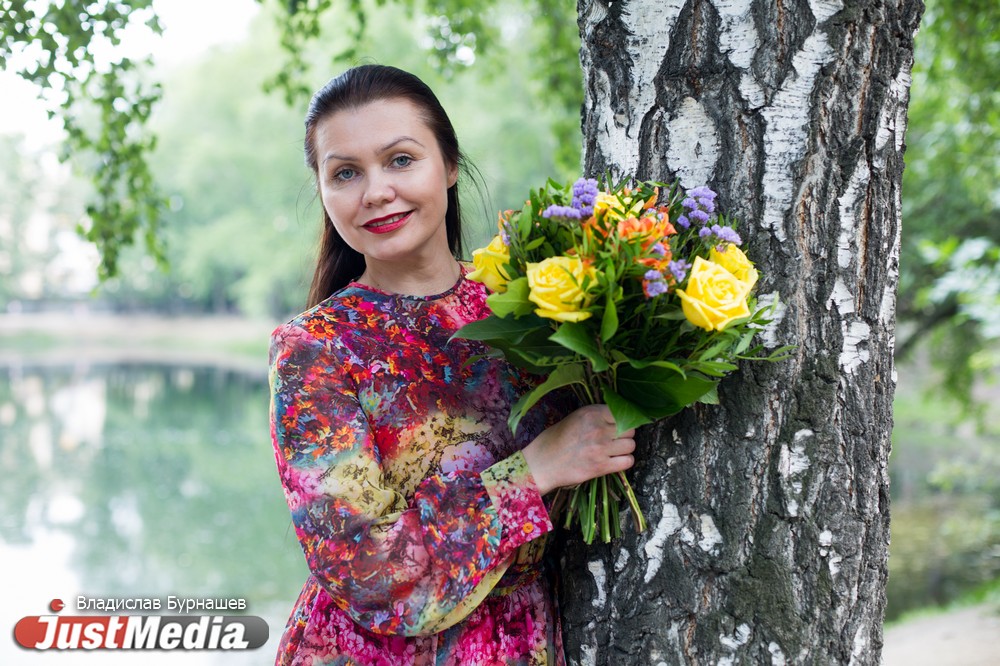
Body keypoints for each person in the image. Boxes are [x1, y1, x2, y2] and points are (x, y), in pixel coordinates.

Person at [268, 64, 636, 666]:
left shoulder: (538, 306)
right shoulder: (316, 349)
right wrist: (532, 472)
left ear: (451, 165)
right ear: (325, 193)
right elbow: (368, 575)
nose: (376, 192)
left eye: (401, 160)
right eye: (345, 174)